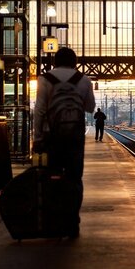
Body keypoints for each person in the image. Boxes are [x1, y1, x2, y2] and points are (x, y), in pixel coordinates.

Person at [32, 47, 96, 238]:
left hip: (51, 136)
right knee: (75, 179)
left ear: (55, 62)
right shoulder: (83, 80)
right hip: (75, 137)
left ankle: (54, 220)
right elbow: (90, 108)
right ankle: (73, 221)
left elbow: (40, 110)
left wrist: (37, 138)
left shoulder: (45, 80)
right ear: (74, 62)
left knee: (52, 177)